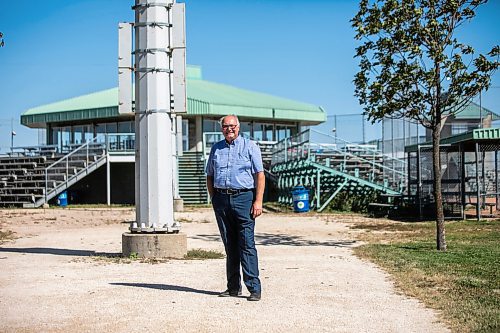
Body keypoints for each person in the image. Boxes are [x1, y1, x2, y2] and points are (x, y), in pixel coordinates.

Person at [205, 114, 265, 302]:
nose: (229, 129)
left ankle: (254, 288)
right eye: (225, 126)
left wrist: (258, 201)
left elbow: (259, 175)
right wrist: (214, 198)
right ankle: (233, 288)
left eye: (232, 125)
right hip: (221, 200)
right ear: (221, 128)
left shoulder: (250, 146)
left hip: (244, 199)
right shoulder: (216, 148)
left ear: (238, 127)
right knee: (230, 246)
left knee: (246, 244)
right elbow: (209, 175)